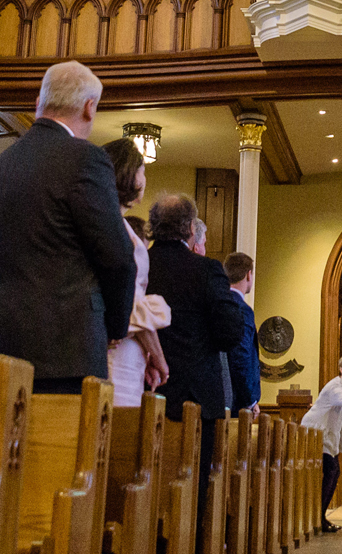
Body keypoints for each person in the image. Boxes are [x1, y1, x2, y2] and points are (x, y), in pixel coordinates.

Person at [0, 62, 135, 394]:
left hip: (4, 344)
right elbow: (118, 257)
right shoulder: (84, 158)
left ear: (41, 100)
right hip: (68, 349)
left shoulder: (0, 165)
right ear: (89, 107)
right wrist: (115, 327)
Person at [146, 191, 246, 496]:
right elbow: (230, 333)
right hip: (195, 395)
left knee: (143, 479)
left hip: (144, 387)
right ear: (191, 229)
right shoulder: (206, 270)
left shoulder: (139, 262)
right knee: (192, 489)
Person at [102, 136, 168, 407]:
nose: (144, 178)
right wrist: (159, 357)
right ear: (128, 174)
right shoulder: (115, 229)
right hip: (118, 349)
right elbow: (128, 304)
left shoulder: (120, 226)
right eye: (142, 170)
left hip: (131, 349)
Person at [304, 353, 342, 533]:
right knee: (331, 471)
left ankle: (320, 516)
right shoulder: (335, 386)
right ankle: (318, 517)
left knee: (333, 472)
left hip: (328, 436)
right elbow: (341, 401)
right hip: (315, 432)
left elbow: (341, 420)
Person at [224, 251, 259, 413]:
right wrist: (250, 400)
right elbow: (241, 356)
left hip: (220, 392)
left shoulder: (218, 304)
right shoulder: (242, 310)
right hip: (237, 399)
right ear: (249, 275)